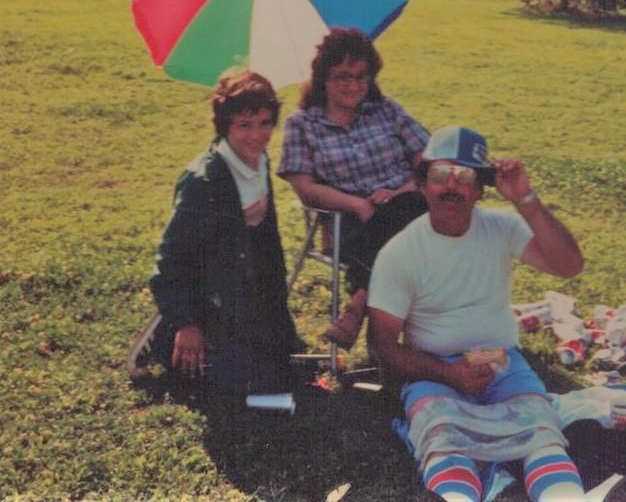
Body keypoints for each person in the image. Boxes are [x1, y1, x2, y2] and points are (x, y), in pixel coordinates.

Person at [368, 125, 590, 502]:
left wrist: (526, 200)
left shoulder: (500, 227)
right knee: (445, 443)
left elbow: (569, 265)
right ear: (423, 183)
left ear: (480, 188)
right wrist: (448, 373)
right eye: (440, 175)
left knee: (542, 438)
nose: (451, 186)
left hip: (502, 362)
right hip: (433, 367)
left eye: (465, 176)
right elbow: (382, 343)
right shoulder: (400, 252)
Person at [147, 69, 299, 399]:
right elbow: (170, 260)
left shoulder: (258, 161)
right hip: (208, 297)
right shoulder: (202, 181)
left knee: (284, 366)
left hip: (244, 290)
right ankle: (165, 334)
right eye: (244, 125)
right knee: (239, 387)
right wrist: (187, 324)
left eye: (264, 123)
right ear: (224, 125)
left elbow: (264, 245)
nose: (257, 135)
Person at [279, 28, 429, 350]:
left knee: (408, 209)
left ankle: (358, 304)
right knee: (408, 225)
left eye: (362, 76)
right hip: (348, 223)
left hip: (407, 206)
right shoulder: (302, 124)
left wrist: (400, 191)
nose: (353, 85)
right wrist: (359, 205)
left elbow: (427, 159)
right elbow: (305, 188)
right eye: (342, 77)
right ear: (323, 79)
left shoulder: (386, 110)